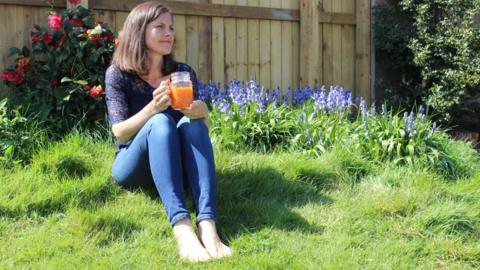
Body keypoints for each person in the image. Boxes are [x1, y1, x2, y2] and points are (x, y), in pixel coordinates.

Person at [104, 1, 231, 262]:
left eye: (171, 27)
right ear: (139, 31)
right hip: (133, 166)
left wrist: (203, 113)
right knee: (161, 122)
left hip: (175, 166)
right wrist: (152, 108)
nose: (169, 33)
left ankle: (207, 225)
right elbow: (119, 133)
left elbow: (197, 134)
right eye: (159, 27)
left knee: (192, 124)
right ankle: (182, 228)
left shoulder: (183, 73)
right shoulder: (118, 74)